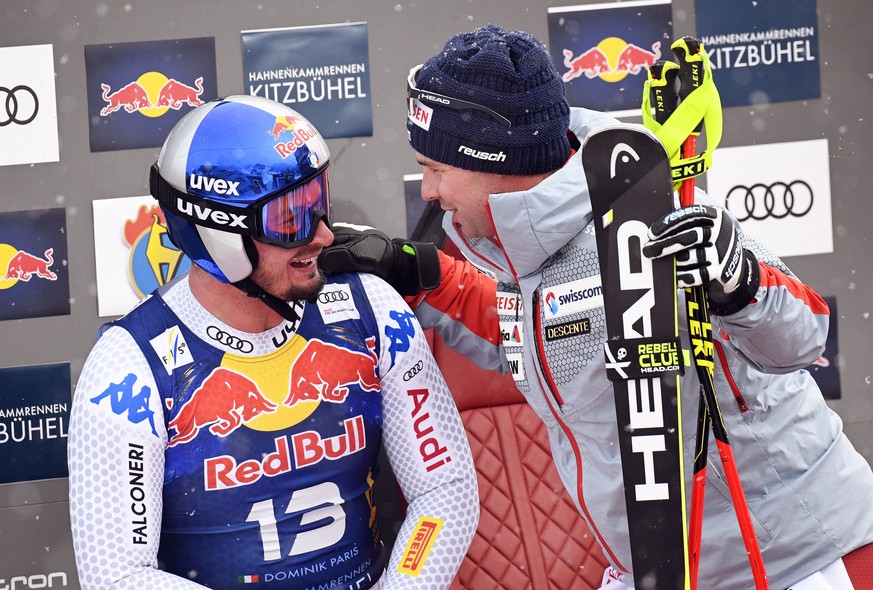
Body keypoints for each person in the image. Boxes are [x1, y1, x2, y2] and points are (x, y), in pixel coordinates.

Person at [319, 24, 873, 590]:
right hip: (662, 569)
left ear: (495, 161)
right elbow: (552, 335)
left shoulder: (644, 209)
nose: (427, 190)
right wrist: (422, 272)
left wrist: (737, 278)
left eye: (436, 169)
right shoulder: (521, 247)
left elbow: (805, 335)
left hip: (797, 562)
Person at [67, 95, 478, 590]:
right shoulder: (128, 367)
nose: (324, 235)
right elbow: (116, 577)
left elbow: (446, 490)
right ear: (217, 233)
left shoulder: (371, 308)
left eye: (319, 202)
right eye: (291, 218)